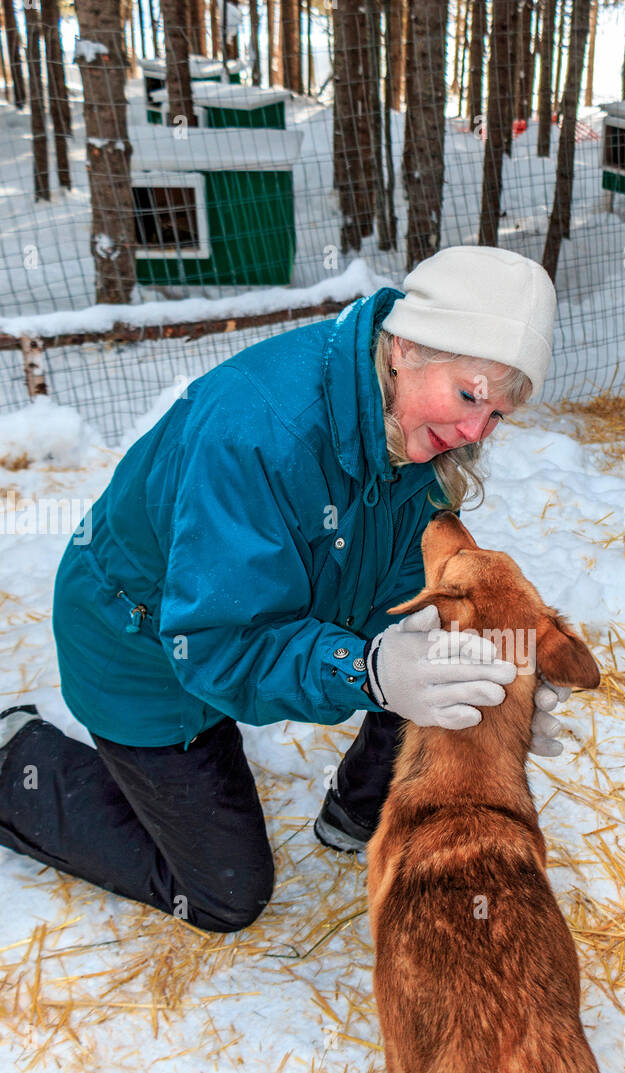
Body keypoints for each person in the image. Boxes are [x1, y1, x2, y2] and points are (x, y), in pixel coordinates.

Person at [0, 246, 569, 933]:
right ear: (407, 349)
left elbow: (404, 576)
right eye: (470, 396)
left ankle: (358, 814)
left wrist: (496, 682)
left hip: (278, 605)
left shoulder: (409, 421)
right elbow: (216, 646)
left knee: (437, 669)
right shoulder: (256, 435)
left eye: (498, 415)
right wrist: (365, 667)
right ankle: (16, 763)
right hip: (145, 644)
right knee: (225, 894)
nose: (475, 431)